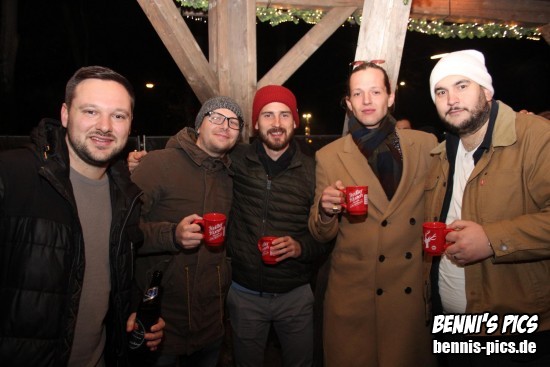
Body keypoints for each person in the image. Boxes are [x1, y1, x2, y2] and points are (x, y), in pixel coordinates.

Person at [0, 66, 164, 366]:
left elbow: (108, 278)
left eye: (118, 116)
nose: (104, 126)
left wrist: (131, 313)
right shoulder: (12, 175)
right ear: (65, 114)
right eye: (90, 111)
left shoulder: (126, 196)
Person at [308, 61, 437, 367]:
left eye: (375, 91)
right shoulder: (329, 156)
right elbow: (320, 233)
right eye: (358, 93)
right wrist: (326, 211)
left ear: (390, 97)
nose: (367, 101)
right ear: (349, 103)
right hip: (354, 299)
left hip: (406, 300)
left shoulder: (425, 145)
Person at [426, 49, 550, 366]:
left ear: (486, 90)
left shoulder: (535, 138)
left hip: (514, 330)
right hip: (449, 325)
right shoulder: (442, 155)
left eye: (462, 85)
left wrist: (494, 239)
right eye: (441, 91)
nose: (451, 98)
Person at [129, 96, 243, 367]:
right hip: (161, 323)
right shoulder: (158, 164)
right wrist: (172, 235)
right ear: (199, 125)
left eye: (234, 122)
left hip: (211, 323)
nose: (225, 125)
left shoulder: (230, 176)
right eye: (215, 117)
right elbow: (122, 230)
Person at [225, 85, 330, 367]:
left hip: (294, 295)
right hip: (244, 293)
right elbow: (198, 149)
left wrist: (299, 247)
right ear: (256, 123)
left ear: (295, 121)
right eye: (267, 115)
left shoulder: (313, 170)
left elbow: (326, 235)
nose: (276, 124)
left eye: (284, 115)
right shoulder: (234, 160)